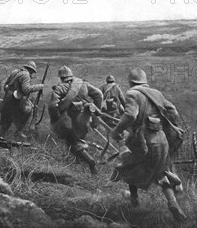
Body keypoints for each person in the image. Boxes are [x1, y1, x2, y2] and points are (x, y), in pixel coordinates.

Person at [109, 67, 186, 221]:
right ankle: (173, 203)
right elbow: (174, 112)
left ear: (131, 82)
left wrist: (117, 130)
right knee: (161, 171)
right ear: (144, 81)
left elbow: (130, 115)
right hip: (161, 139)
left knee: (128, 166)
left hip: (142, 141)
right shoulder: (157, 94)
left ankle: (135, 200)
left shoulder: (132, 94)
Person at [48, 66, 103, 175]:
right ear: (71, 76)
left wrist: (56, 119)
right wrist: (96, 112)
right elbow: (99, 95)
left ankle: (90, 161)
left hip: (70, 121)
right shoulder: (83, 84)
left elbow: (52, 106)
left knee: (74, 144)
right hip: (84, 119)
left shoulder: (60, 88)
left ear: (61, 77)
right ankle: (79, 167)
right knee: (80, 140)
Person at [0, 60, 44, 139]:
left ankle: (0, 137)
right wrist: (39, 86)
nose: (32, 74)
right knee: (28, 111)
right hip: (15, 102)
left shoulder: (15, 72)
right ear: (30, 70)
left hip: (7, 100)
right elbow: (26, 89)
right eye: (32, 72)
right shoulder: (26, 75)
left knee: (6, 121)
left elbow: (5, 86)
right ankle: (19, 132)